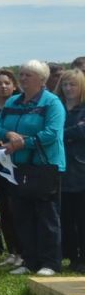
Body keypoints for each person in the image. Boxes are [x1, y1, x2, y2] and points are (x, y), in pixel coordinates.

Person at [0, 61, 66, 276]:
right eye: (22, 74)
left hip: (45, 166)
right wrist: (7, 135)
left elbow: (52, 133)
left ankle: (50, 263)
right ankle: (29, 260)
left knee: (46, 216)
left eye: (28, 75)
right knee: (22, 215)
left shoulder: (52, 103)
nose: (23, 78)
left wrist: (23, 143)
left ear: (42, 79)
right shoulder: (13, 102)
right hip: (18, 166)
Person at [61, 70, 85, 272]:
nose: (69, 89)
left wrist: (60, 134)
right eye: (65, 85)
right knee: (66, 217)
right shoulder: (59, 108)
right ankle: (72, 255)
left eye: (73, 85)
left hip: (80, 169)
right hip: (61, 169)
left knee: (82, 217)